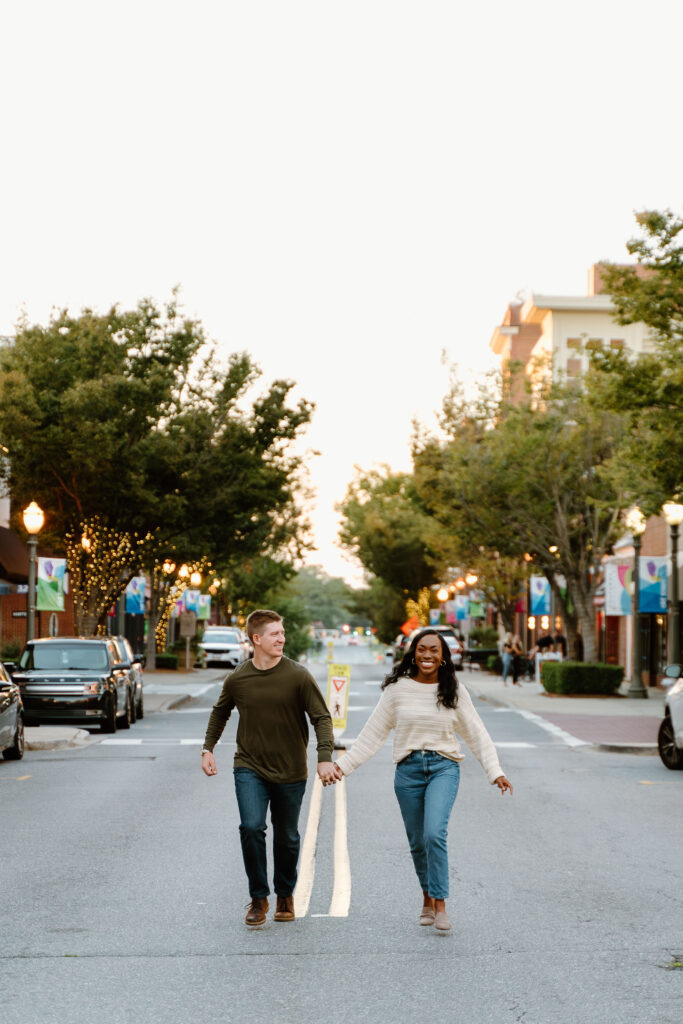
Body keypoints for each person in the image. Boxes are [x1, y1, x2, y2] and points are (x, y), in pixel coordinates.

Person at [331, 628, 513, 933]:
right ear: (413, 653)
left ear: (443, 657)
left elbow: (476, 733)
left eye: (434, 650)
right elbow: (372, 735)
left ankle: (440, 904)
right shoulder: (397, 690)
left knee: (433, 835)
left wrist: (495, 771)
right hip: (408, 771)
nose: (427, 655)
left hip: (444, 767)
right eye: (421, 649)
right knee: (417, 843)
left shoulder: (454, 690)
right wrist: (342, 767)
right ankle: (426, 898)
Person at [201, 609, 337, 927]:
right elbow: (220, 712)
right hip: (249, 765)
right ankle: (259, 898)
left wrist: (324, 756)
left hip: (291, 769)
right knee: (251, 827)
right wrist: (208, 748)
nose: (282, 638)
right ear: (256, 639)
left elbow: (321, 717)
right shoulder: (238, 678)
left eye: (283, 633)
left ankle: (285, 894)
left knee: (287, 836)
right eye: (275, 634)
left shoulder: (298, 676)